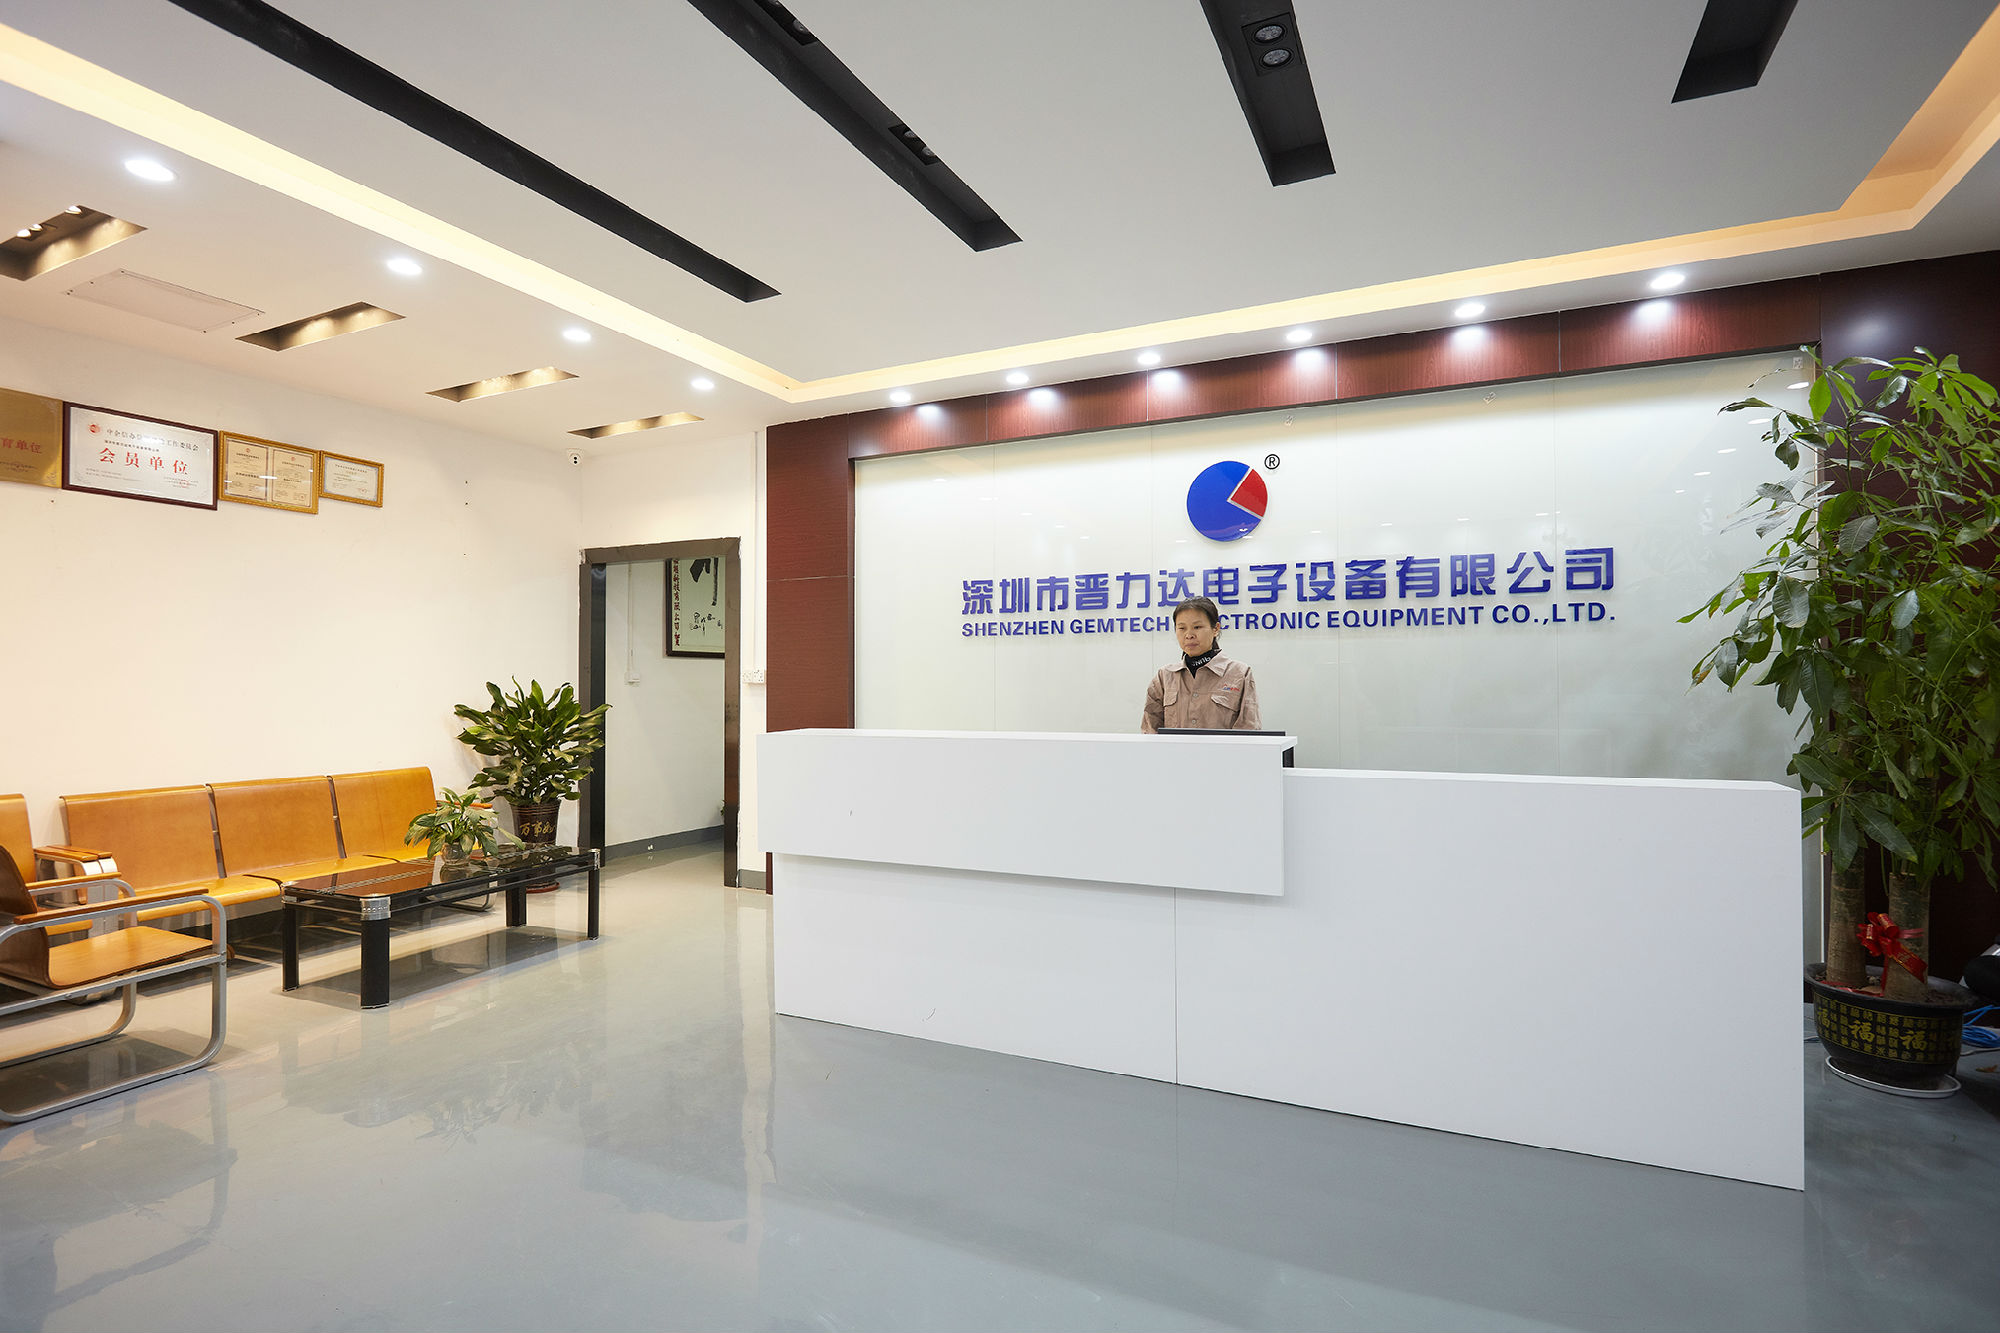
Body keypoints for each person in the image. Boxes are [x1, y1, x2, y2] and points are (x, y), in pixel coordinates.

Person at [1141, 596, 1263, 733]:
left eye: (1197, 627)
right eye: (1182, 628)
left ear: (1215, 629)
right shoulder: (1164, 676)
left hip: (1223, 748)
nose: (1189, 635)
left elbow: (1248, 730)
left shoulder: (1239, 674)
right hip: (1173, 748)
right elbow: (1150, 729)